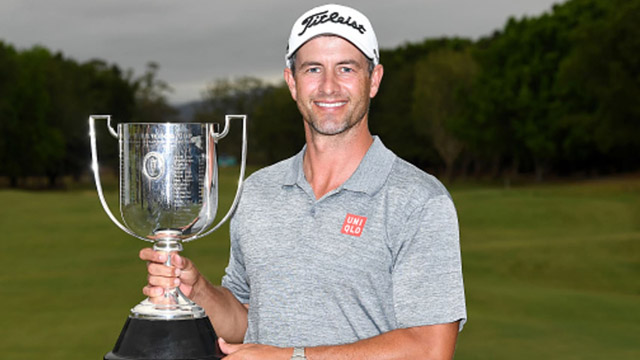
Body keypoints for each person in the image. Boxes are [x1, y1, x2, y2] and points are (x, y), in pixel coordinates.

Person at [140, 4, 466, 359]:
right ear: (292, 82)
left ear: (373, 80)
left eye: (346, 68)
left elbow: (432, 348)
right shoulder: (257, 192)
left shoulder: (419, 200)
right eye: (313, 69)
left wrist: (292, 357)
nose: (328, 86)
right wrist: (200, 290)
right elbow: (247, 320)